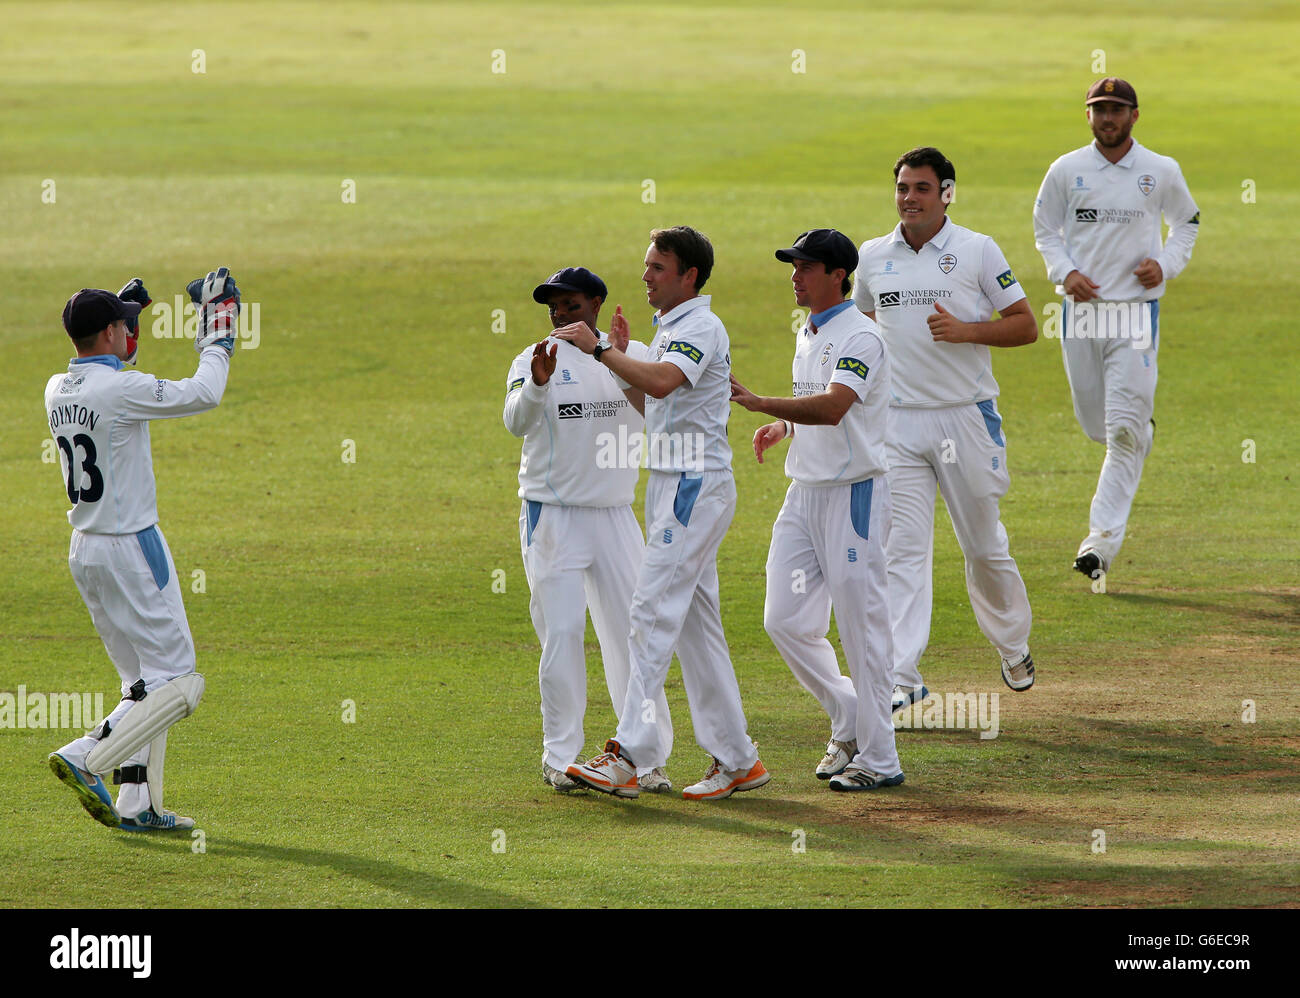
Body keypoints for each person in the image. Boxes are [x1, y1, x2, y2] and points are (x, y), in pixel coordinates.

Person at [553, 226, 769, 801]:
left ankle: (631, 754)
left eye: (657, 267)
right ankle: (738, 759)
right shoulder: (673, 326)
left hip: (692, 488)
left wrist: (603, 349)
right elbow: (651, 403)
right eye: (646, 266)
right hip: (673, 483)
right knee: (697, 627)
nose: (645, 276)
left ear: (688, 276)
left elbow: (666, 379)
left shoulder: (700, 325)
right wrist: (621, 356)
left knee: (649, 613)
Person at [45, 270, 239, 831]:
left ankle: (137, 804)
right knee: (180, 681)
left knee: (143, 683)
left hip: (86, 549)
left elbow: (109, 367)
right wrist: (218, 330)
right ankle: (86, 756)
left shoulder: (57, 387)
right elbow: (204, 392)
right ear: (108, 333)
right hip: (132, 548)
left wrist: (121, 314)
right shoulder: (120, 390)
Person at [854, 147, 1038, 704]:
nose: (910, 198)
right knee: (901, 550)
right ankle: (901, 676)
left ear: (946, 193)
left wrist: (966, 332)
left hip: (965, 418)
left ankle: (1012, 645)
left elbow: (1026, 326)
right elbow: (863, 321)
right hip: (898, 425)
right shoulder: (872, 255)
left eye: (922, 189)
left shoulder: (976, 251)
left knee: (982, 547)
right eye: (903, 188)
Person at [729, 229, 903, 791]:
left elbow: (833, 408)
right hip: (804, 493)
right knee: (783, 619)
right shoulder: (810, 331)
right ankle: (849, 715)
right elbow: (818, 398)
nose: (794, 275)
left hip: (853, 496)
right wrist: (782, 425)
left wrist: (759, 401)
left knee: (862, 629)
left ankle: (880, 760)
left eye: (804, 267)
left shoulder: (862, 336)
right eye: (793, 266)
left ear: (837, 275)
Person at [503, 266, 673, 794]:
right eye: (553, 307)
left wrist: (616, 360)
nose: (560, 316)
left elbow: (656, 412)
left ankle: (643, 758)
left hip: (616, 514)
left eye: (572, 306)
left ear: (596, 304)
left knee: (635, 638)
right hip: (553, 515)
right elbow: (514, 422)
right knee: (562, 635)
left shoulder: (631, 352)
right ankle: (561, 756)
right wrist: (537, 385)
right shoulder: (534, 358)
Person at [1033, 77, 1199, 581]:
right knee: (1097, 427)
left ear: (1134, 115)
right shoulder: (1066, 170)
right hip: (1081, 314)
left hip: (1134, 314)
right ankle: (1137, 428)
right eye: (1099, 109)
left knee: (1122, 433)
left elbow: (1186, 222)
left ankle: (1098, 544)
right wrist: (1066, 274)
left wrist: (1165, 265)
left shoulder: (1160, 170)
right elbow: (1045, 228)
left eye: (1117, 109)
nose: (1108, 118)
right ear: (1088, 115)